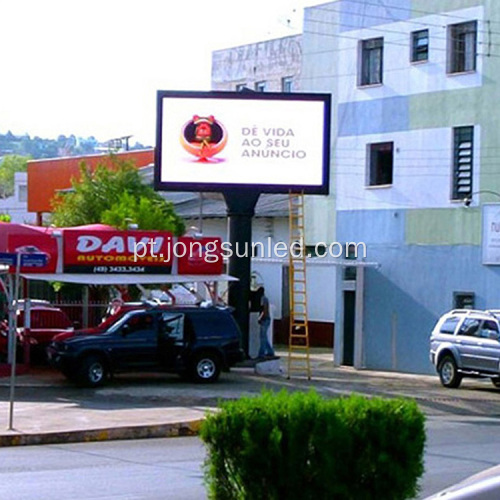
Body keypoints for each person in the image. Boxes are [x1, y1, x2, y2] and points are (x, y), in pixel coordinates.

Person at [257, 287, 275, 359]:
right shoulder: (265, 299)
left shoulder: (262, 299)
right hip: (267, 319)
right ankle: (270, 351)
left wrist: (260, 318)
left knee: (262, 337)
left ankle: (261, 353)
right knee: (264, 337)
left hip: (264, 319)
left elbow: (263, 310)